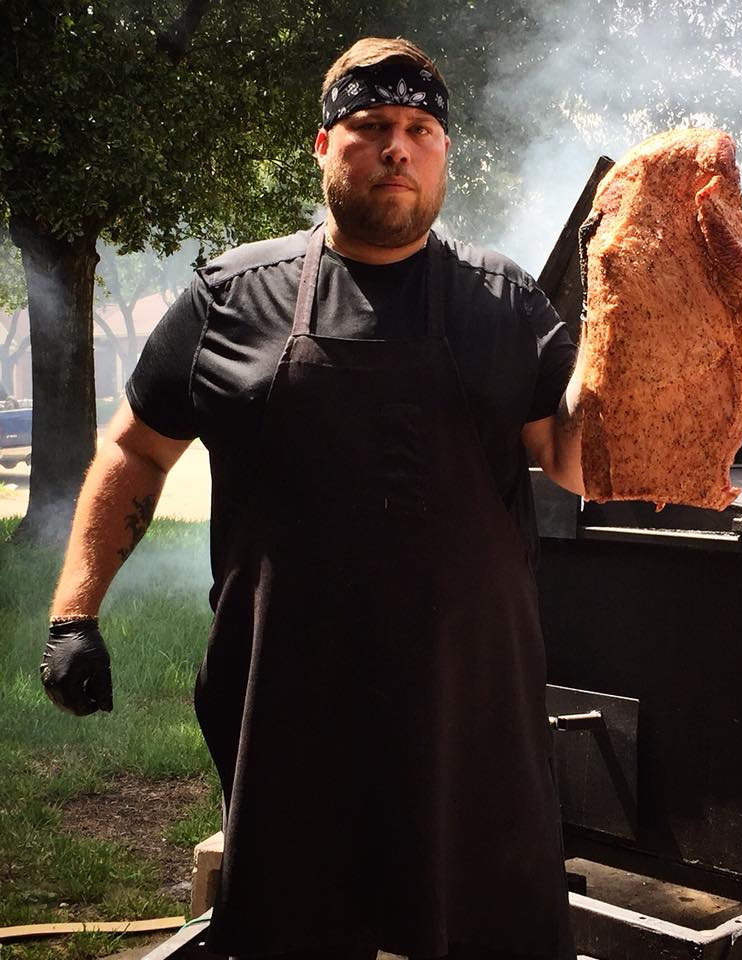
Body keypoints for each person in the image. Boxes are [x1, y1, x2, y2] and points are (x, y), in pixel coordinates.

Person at [40, 36, 588, 960]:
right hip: (287, 706)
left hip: (470, 707)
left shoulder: (506, 303)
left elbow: (575, 464)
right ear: (324, 145)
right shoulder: (231, 298)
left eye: (419, 129)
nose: (397, 147)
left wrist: (642, 334)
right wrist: (72, 614)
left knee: (484, 928)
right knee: (296, 929)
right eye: (371, 126)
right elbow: (135, 452)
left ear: (445, 151)